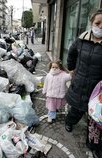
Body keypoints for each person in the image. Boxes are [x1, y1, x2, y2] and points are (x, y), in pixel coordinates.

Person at [64, 9, 102, 158]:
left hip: (97, 89)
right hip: (80, 82)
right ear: (92, 23)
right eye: (97, 23)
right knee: (77, 109)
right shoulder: (81, 39)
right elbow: (71, 54)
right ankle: (69, 122)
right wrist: (71, 69)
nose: (100, 26)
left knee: (95, 118)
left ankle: (93, 144)